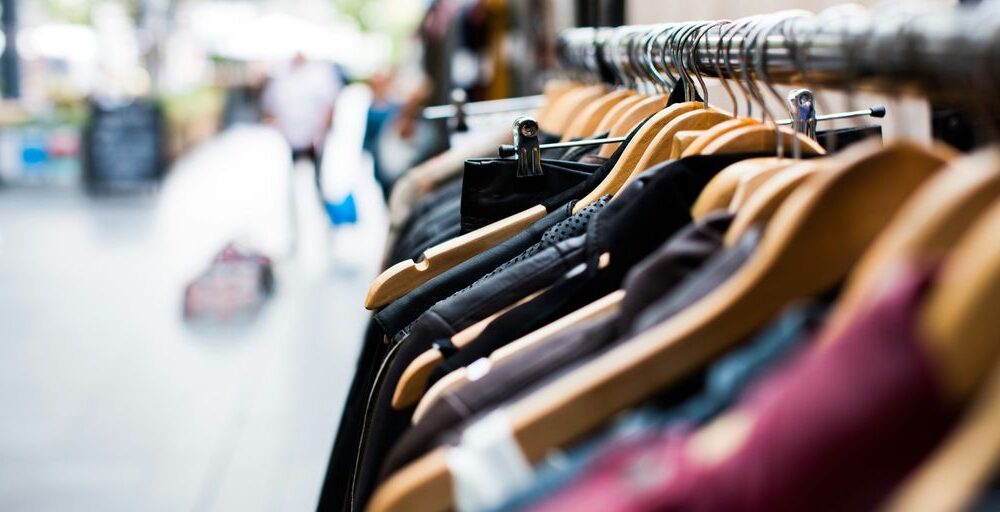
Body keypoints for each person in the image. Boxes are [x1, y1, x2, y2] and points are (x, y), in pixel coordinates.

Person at [262, 52, 341, 198]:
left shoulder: (320, 75)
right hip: (288, 139)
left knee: (316, 181)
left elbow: (330, 106)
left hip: (313, 140)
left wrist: (320, 133)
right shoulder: (281, 75)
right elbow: (270, 107)